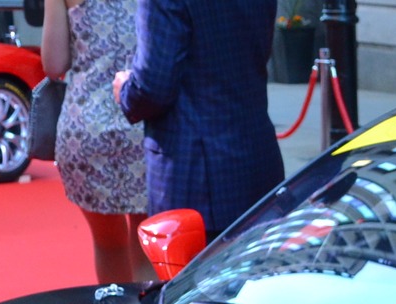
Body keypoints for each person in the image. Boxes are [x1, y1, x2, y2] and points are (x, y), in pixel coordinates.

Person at [114, 0, 283, 236]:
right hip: (257, 154)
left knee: (194, 260)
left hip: (195, 172)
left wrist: (125, 90)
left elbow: (153, 87)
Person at [41, 0, 153, 285]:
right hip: (142, 120)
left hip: (85, 130)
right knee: (147, 239)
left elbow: (54, 64)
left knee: (107, 244)